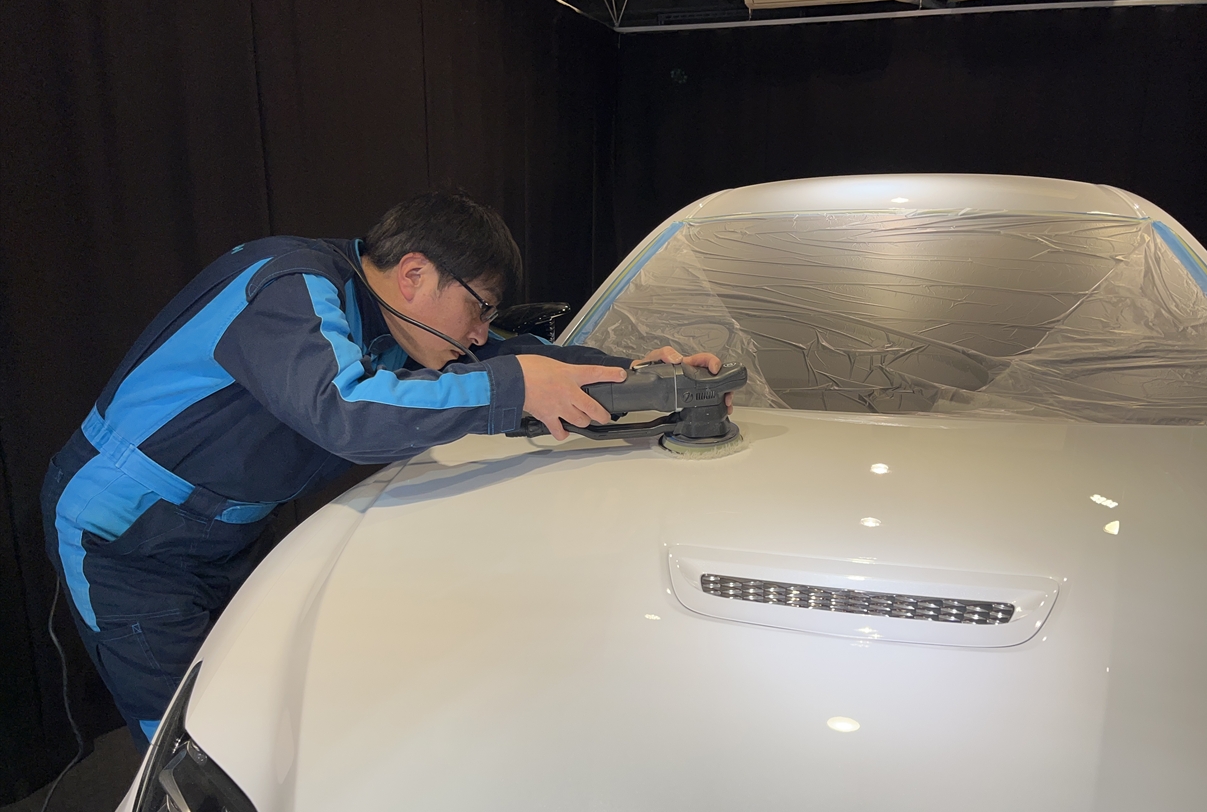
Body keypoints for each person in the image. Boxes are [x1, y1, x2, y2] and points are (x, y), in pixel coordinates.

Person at [41, 190, 724, 750]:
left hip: (224, 532)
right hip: (124, 537)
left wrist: (634, 374)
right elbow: (344, 410)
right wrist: (515, 387)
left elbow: (508, 358)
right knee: (185, 739)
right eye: (479, 308)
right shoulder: (290, 283)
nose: (479, 331)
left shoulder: (395, 324)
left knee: (246, 702)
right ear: (415, 275)